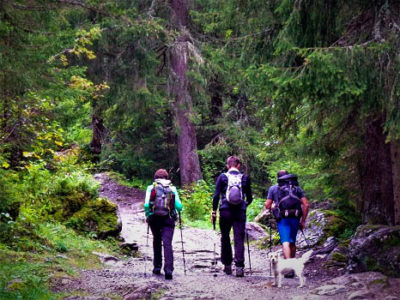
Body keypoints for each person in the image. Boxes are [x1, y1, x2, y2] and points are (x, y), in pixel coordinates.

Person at [211, 156, 253, 277]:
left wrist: (214, 210)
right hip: (240, 211)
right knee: (239, 238)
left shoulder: (222, 177)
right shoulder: (244, 178)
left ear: (227, 166)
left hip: (225, 210)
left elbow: (216, 195)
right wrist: (244, 204)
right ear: (238, 165)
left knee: (225, 237)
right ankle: (239, 267)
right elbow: (249, 197)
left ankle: (227, 265)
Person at [144, 169, 182, 280]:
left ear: (155, 177)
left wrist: (148, 214)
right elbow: (179, 206)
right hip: (168, 219)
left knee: (156, 240)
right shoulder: (172, 188)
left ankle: (157, 267)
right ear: (167, 177)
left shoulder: (151, 187)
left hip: (154, 218)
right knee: (167, 243)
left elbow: (147, 205)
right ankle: (168, 270)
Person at [264, 170, 309, 262]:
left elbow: (267, 205)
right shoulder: (297, 188)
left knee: (285, 242)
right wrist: (303, 221)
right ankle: (292, 265)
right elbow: (306, 205)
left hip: (282, 219)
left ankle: (288, 267)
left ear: (278, 178)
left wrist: (273, 207)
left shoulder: (273, 188)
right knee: (292, 242)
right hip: (295, 218)